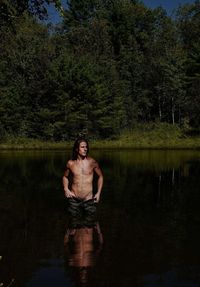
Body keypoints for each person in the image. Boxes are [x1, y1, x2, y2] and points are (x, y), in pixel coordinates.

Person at [62, 138, 103, 222]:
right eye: (82, 147)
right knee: (72, 223)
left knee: (90, 224)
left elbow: (101, 176)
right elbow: (65, 177)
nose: (85, 149)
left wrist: (98, 193)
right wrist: (66, 189)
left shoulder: (92, 162)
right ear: (77, 149)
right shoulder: (71, 163)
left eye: (86, 147)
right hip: (74, 199)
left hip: (89, 200)